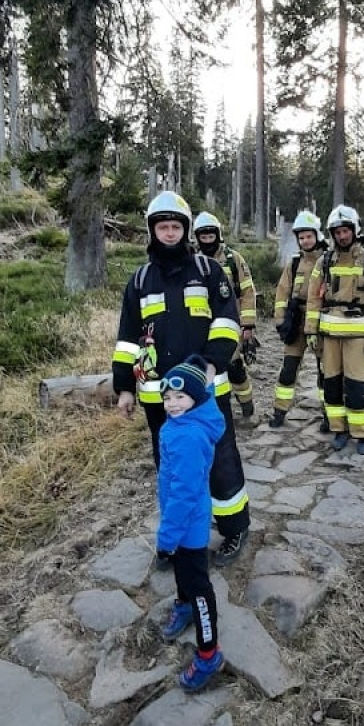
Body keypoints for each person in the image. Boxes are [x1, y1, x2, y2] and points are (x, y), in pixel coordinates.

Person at [112, 191, 250, 567]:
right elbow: (127, 339)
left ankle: (235, 527)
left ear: (185, 230)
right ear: (152, 231)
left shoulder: (208, 271)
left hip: (206, 393)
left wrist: (210, 365)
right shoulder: (139, 281)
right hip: (161, 401)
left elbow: (227, 322)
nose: (169, 233)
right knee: (173, 471)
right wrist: (124, 387)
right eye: (163, 226)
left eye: (176, 226)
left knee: (221, 462)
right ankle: (183, 537)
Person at [156, 354, 225, 692]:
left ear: (196, 397)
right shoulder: (181, 424)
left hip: (187, 526)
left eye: (180, 397)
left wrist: (166, 537)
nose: (172, 404)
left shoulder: (187, 436)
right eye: (167, 397)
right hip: (182, 519)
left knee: (199, 589)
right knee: (183, 575)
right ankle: (182, 605)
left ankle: (209, 653)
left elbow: (184, 493)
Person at [305, 205, 364, 458]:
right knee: (331, 385)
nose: (342, 236)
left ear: (354, 231)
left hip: (358, 335)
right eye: (337, 232)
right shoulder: (325, 262)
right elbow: (313, 299)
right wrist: (311, 331)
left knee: (356, 386)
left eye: (346, 231)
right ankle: (339, 429)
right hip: (329, 336)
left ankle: (362, 432)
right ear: (331, 234)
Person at [193, 211, 257, 419]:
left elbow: (247, 291)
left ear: (218, 235)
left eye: (211, 236)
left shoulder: (233, 259)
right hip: (201, 324)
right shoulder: (191, 260)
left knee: (234, 365)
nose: (207, 241)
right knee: (206, 367)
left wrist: (247, 325)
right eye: (203, 237)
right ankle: (214, 409)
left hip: (230, 322)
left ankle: (246, 405)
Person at [269, 210, 327, 430]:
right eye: (301, 238)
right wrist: (280, 321)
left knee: (325, 371)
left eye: (308, 236)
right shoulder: (294, 264)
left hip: (321, 324)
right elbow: (282, 293)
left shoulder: (328, 260)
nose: (305, 241)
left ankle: (328, 414)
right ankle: (279, 411)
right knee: (288, 369)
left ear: (317, 235)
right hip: (296, 322)